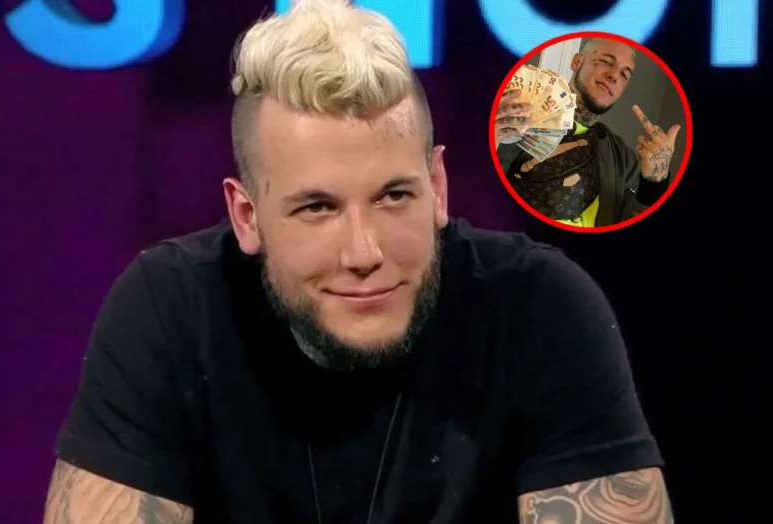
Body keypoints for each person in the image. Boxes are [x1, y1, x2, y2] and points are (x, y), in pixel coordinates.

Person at [43, 1, 675, 522]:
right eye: (316, 208)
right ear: (247, 216)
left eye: (394, 196)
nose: (364, 253)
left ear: (438, 187)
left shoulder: (541, 308)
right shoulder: (169, 311)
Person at [495, 38, 682, 228]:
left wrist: (655, 183)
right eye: (606, 61)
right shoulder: (517, 120)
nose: (614, 76)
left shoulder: (622, 159)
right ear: (577, 62)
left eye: (624, 75)